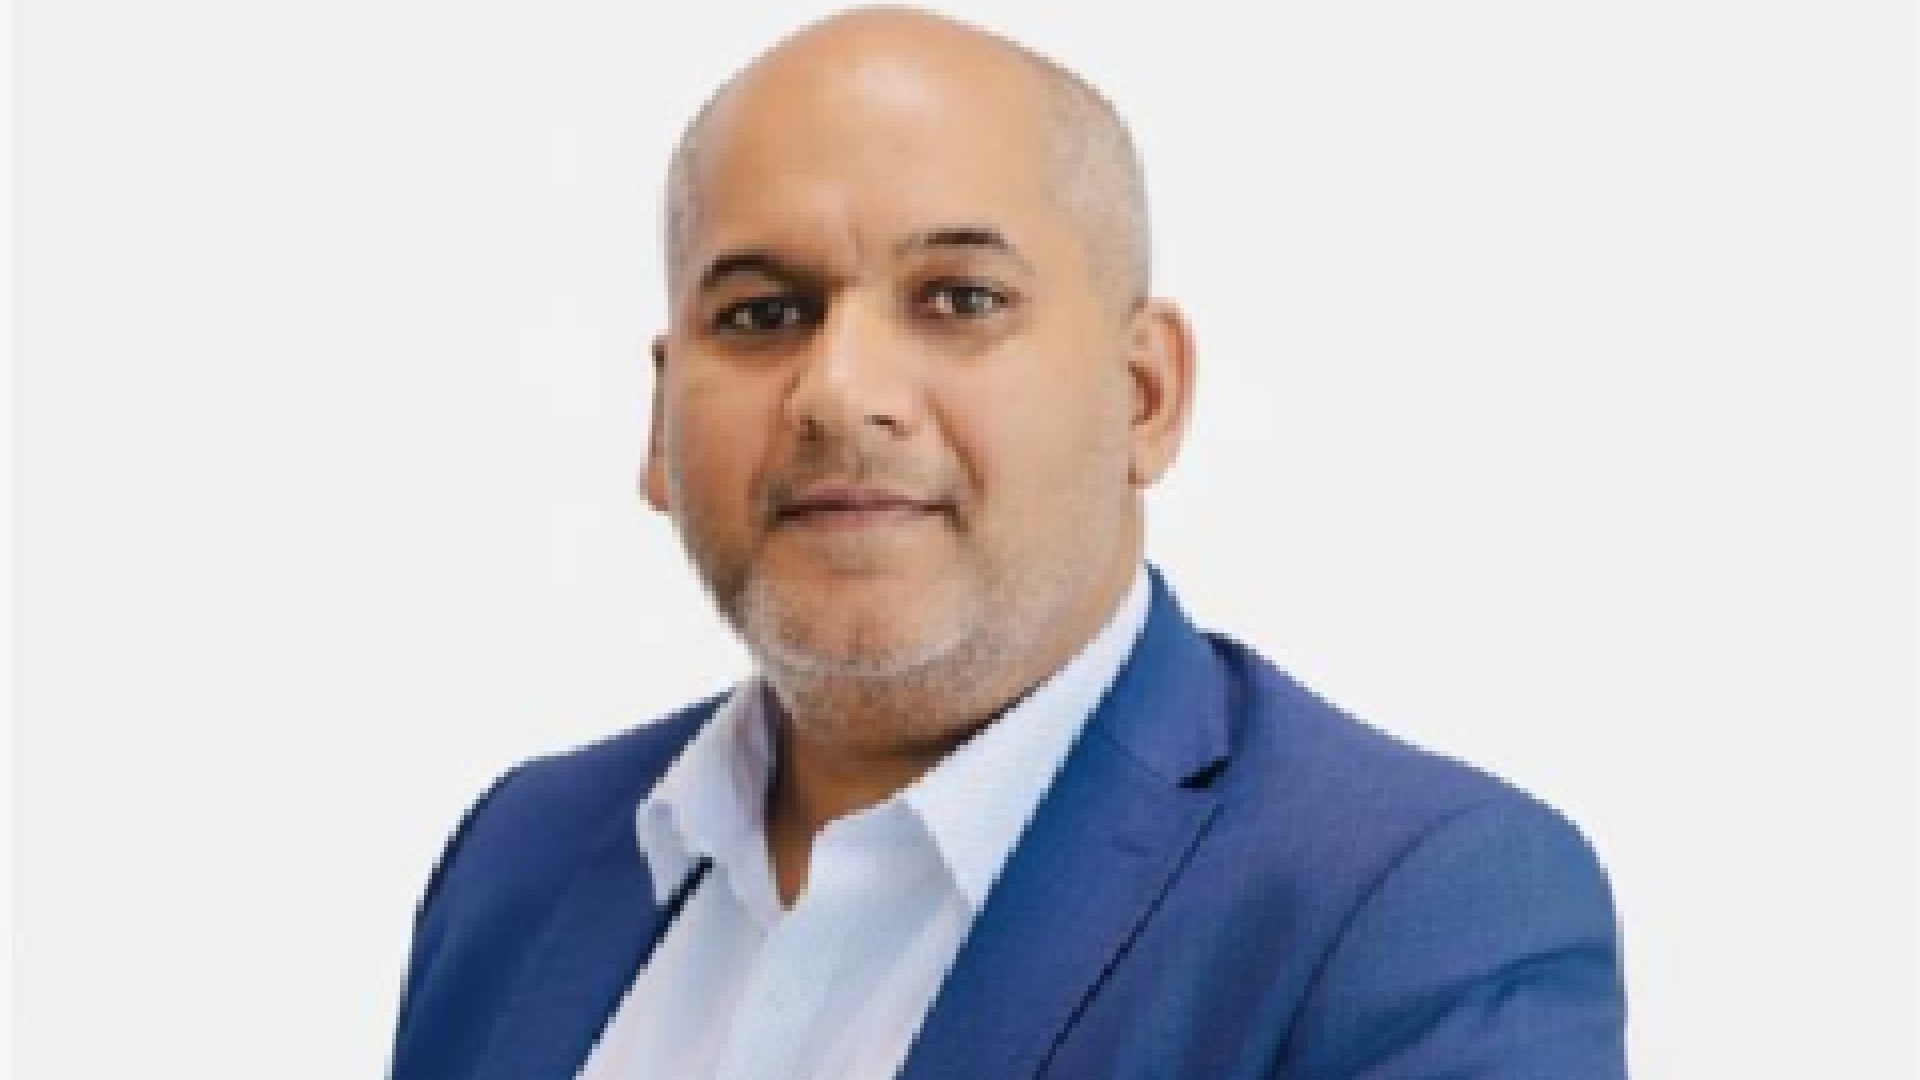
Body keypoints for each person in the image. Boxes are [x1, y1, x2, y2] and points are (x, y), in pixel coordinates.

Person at [387, 8, 1629, 1079]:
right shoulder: (521, 860)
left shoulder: (1417, 912)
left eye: (960, 300)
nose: (840, 392)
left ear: (1145, 396)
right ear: (661, 422)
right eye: (763, 314)